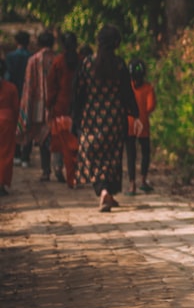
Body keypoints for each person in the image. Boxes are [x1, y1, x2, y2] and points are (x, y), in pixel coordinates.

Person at [74, 25, 139, 212]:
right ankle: (107, 192)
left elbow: (78, 93)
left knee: (94, 156)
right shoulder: (119, 64)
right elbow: (127, 92)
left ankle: (102, 191)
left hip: (91, 119)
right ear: (116, 43)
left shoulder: (87, 63)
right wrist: (135, 113)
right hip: (114, 119)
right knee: (112, 157)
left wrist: (76, 117)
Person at [17, 29, 55, 179]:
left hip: (38, 105)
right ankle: (59, 166)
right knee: (54, 134)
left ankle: (46, 170)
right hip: (55, 104)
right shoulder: (57, 59)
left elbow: (28, 85)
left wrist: (26, 107)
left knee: (41, 136)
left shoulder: (33, 60)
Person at [46, 31, 80, 188]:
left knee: (59, 139)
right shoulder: (82, 61)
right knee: (75, 140)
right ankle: (75, 171)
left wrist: (49, 104)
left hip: (60, 107)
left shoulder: (58, 62)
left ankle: (58, 167)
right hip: (78, 108)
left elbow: (52, 86)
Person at [125, 58, 156, 195]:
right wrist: (143, 113)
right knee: (145, 153)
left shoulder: (127, 87)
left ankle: (132, 185)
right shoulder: (148, 88)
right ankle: (143, 180)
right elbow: (151, 106)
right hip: (143, 125)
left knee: (131, 155)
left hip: (129, 125)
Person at [4, 30, 30, 166]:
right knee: (27, 123)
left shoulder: (10, 56)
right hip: (28, 94)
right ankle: (26, 155)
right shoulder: (31, 56)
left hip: (13, 92)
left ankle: (17, 154)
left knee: (14, 123)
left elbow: (8, 75)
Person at [0, 58, 19, 196]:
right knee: (6, 153)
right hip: (7, 121)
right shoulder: (11, 87)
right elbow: (16, 108)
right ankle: (2, 183)